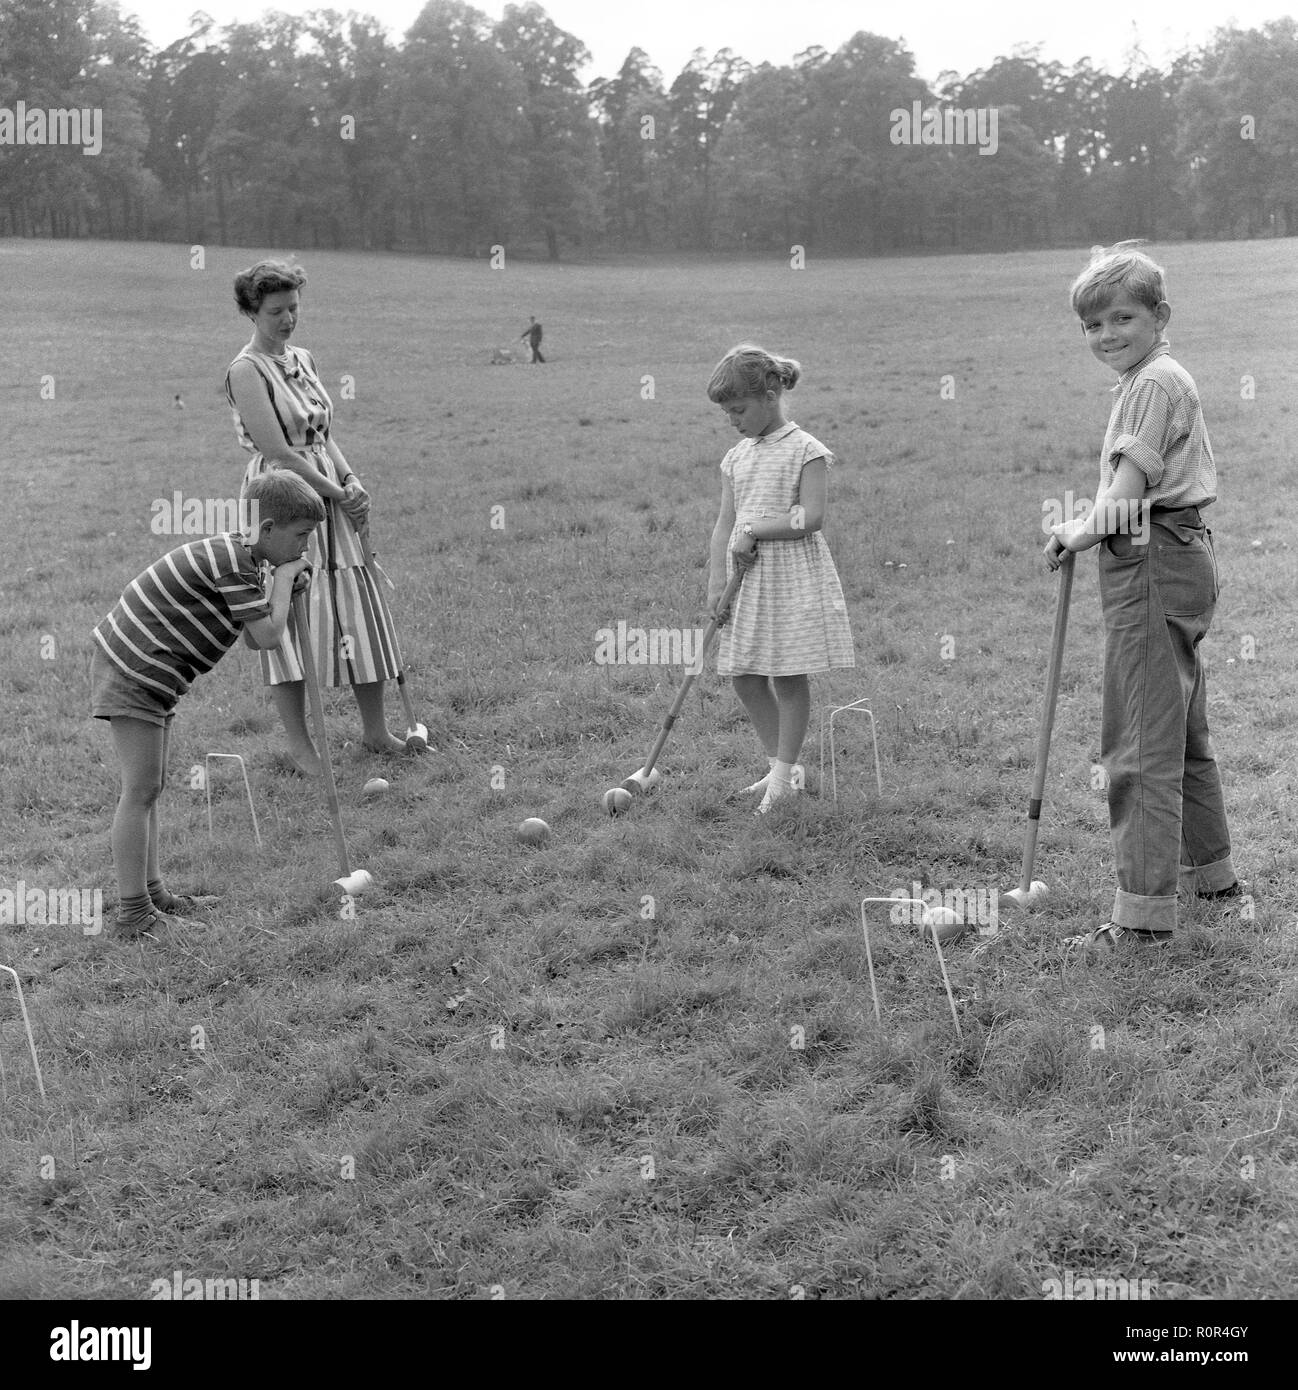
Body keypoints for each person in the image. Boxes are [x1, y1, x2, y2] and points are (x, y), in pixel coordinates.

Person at [1045, 242, 1241, 952]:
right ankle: (1211, 880)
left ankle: (1142, 922)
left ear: (1160, 315)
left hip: (1152, 556)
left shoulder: (1154, 383)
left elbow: (1127, 493)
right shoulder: (1150, 377)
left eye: (1122, 318)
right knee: (1182, 733)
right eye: (1092, 327)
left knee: (1136, 742)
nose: (1107, 337)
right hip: (1175, 552)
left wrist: (1077, 534)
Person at [91, 471, 323, 938]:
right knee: (139, 791)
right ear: (270, 528)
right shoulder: (236, 561)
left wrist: (280, 582)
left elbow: (259, 630)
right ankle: (133, 914)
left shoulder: (245, 557)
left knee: (150, 787)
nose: (304, 548)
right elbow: (267, 637)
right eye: (301, 536)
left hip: (151, 671)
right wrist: (284, 578)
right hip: (136, 670)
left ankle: (153, 895)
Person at [225, 259, 406, 774]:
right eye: (276, 311)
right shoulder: (246, 370)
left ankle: (376, 732)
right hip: (281, 497)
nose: (288, 320)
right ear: (252, 312)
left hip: (327, 483)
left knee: (354, 603)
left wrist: (351, 482)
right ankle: (302, 748)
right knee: (286, 605)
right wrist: (335, 494)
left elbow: (322, 436)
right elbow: (279, 451)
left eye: (294, 308)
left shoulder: (302, 357)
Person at [705, 344, 855, 813]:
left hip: (790, 575)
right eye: (727, 413)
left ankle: (785, 776)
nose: (733, 420)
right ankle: (781, 770)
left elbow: (810, 518)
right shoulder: (736, 457)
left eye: (739, 409)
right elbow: (724, 523)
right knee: (744, 676)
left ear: (770, 396)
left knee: (787, 675)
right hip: (745, 579)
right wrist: (715, 579)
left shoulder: (806, 451)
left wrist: (755, 530)